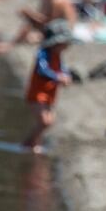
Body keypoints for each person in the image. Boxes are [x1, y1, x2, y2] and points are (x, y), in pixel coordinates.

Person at [23, 20, 73, 153]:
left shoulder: (57, 55)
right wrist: (58, 77)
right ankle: (34, 144)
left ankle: (30, 142)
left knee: (49, 121)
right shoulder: (43, 54)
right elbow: (42, 70)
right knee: (45, 121)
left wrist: (66, 75)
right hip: (37, 94)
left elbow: (63, 68)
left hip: (49, 94)